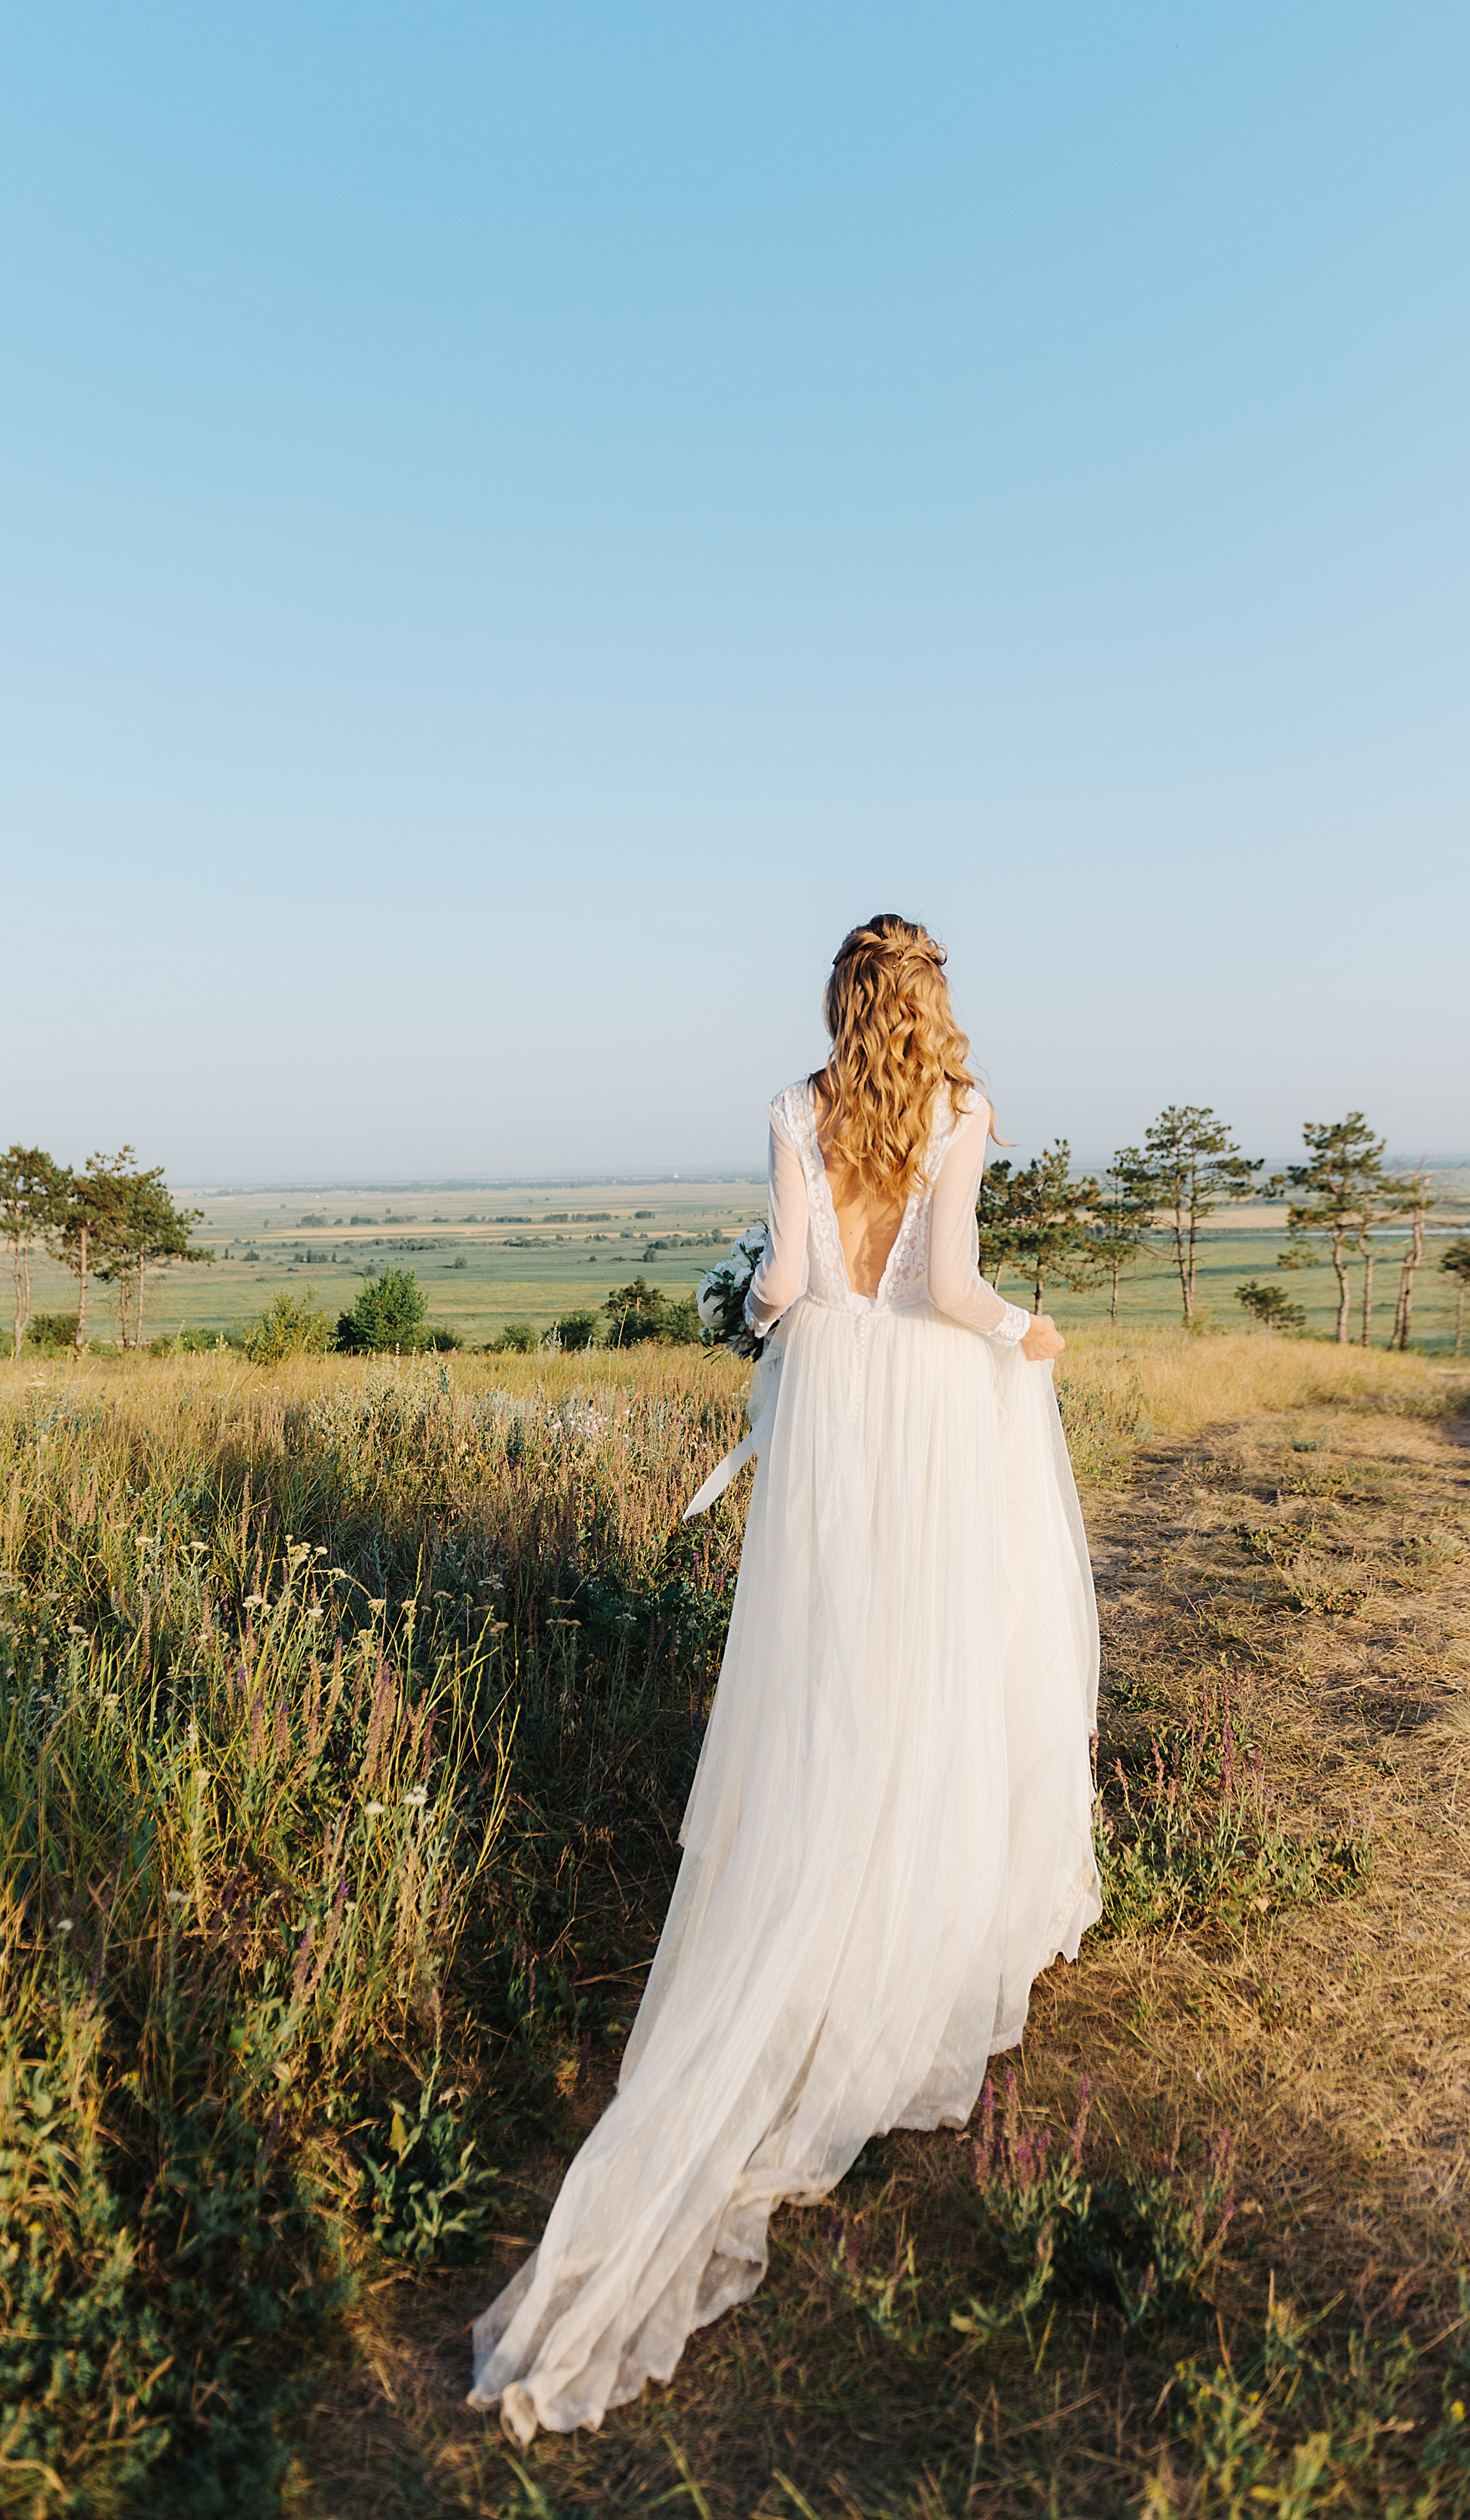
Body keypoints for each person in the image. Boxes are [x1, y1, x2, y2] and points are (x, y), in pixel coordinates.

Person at [469, 913, 1101, 2446]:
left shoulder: (790, 1110)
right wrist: (1033, 1330)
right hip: (935, 1409)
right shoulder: (961, 1111)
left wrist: (750, 1306)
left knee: (829, 1671)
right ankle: (922, 1916)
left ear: (836, 1002)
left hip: (832, 1412)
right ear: (930, 1002)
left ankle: (817, 1905)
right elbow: (949, 1288)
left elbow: (786, 1290)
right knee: (941, 1660)